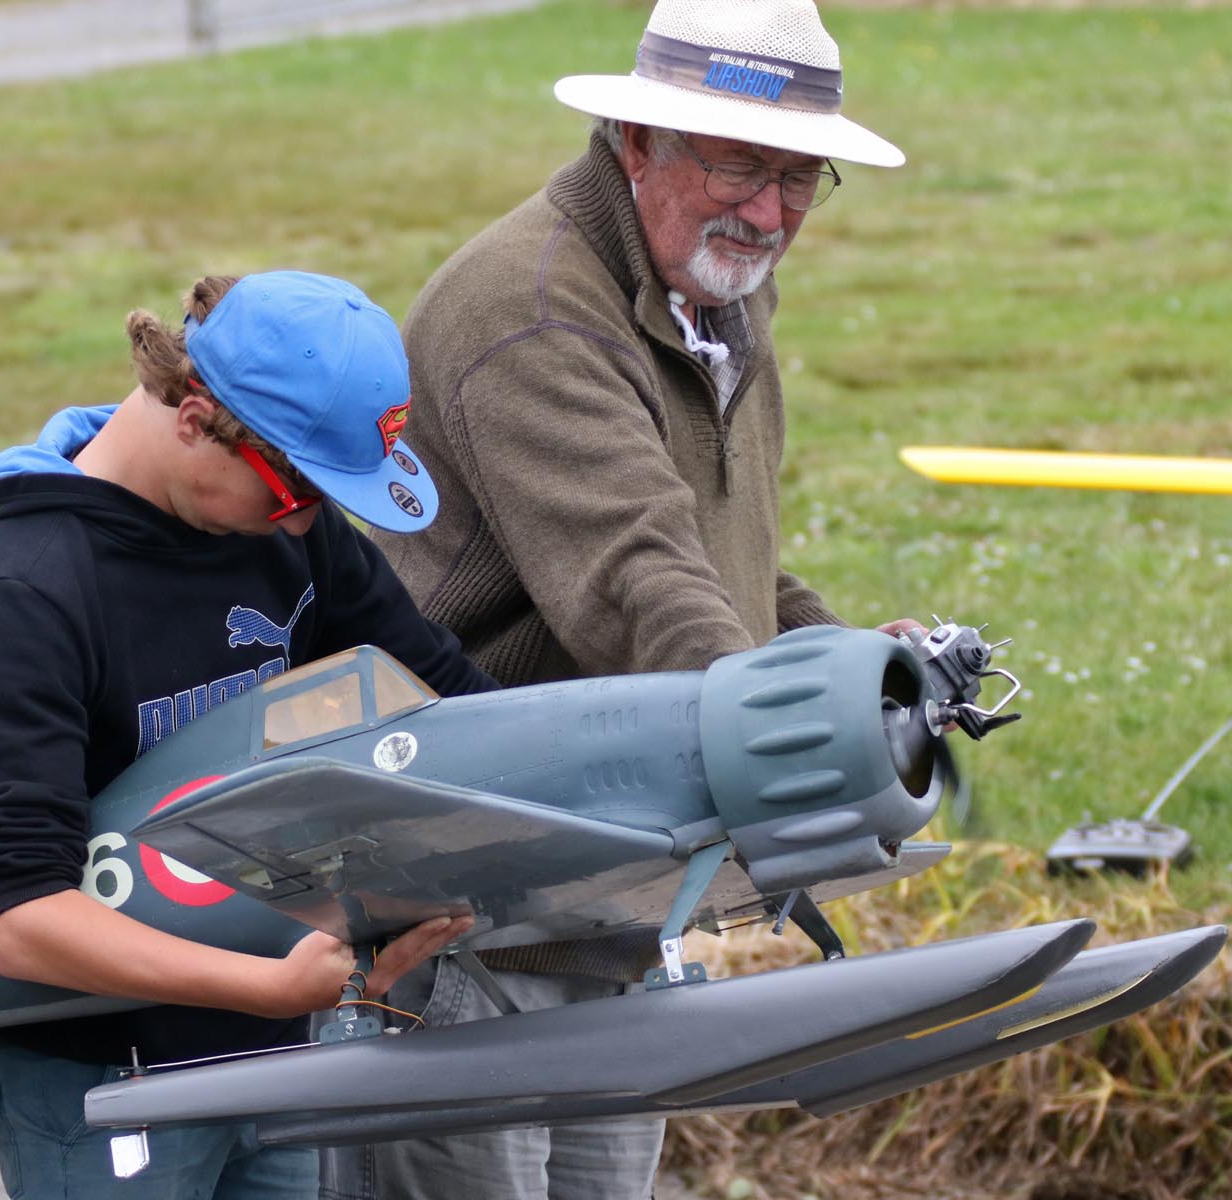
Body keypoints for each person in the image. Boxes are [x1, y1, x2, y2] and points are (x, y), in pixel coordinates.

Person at [324, 2, 919, 1197]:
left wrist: (853, 669)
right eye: (741, 164)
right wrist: (790, 730)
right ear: (636, 139)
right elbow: (639, 582)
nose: (768, 211)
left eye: (802, 177)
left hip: (611, 899)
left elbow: (721, 561)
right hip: (469, 916)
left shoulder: (718, 295)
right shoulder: (533, 311)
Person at [0, 270, 491, 1198]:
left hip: (273, 1053)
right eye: (297, 492)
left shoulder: (289, 534)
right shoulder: (29, 598)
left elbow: (445, 698)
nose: (311, 521)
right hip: (102, 1079)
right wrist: (269, 987)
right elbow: (21, 922)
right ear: (195, 419)